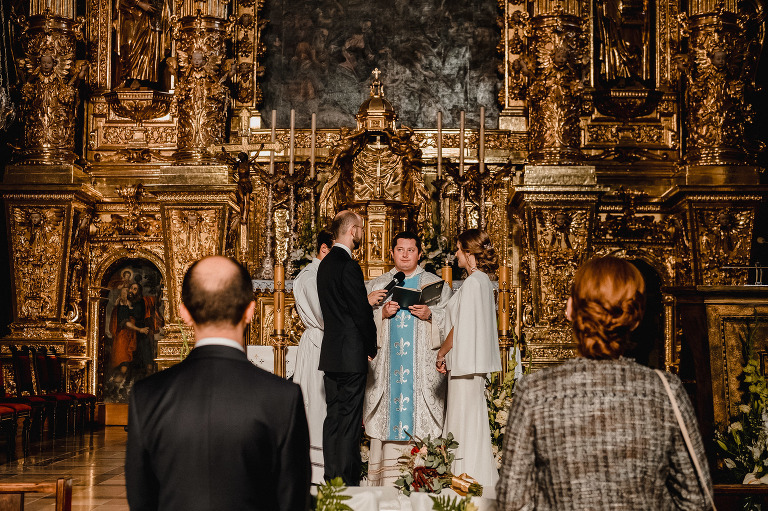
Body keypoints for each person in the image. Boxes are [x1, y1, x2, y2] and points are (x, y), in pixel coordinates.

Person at [496, 256, 713, 509]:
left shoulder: (534, 392)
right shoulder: (666, 392)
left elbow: (512, 502)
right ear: (635, 318)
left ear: (570, 309)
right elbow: (697, 501)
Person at [125, 256, 310, 511]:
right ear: (250, 311)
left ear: (184, 313)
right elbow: (292, 501)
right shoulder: (283, 398)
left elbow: (141, 500)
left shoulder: (146, 396)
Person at [364, 231, 452, 485]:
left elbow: (454, 321)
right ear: (391, 253)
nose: (405, 255)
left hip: (421, 372)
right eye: (400, 250)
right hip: (387, 370)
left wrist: (431, 315)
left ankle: (422, 479)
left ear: (419, 253)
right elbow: (359, 322)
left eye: (410, 250)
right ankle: (386, 483)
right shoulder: (378, 285)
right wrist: (380, 315)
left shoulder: (435, 285)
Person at [436, 229, 501, 497]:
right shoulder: (483, 281)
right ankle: (471, 476)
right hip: (470, 364)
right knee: (470, 421)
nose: (456, 255)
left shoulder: (475, 283)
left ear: (469, 252)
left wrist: (441, 353)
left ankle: (465, 479)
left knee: (463, 422)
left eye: (459, 250)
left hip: (465, 365)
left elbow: (460, 327)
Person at [317, 210, 378, 485]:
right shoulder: (349, 265)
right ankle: (348, 482)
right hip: (351, 354)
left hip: (331, 353)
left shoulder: (325, 264)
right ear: (353, 230)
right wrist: (371, 345)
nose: (362, 233)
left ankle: (332, 478)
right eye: (361, 228)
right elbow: (360, 311)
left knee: (333, 419)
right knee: (350, 422)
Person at [293, 229, 334, 484]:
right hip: (318, 342)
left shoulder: (323, 274)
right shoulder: (310, 276)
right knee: (315, 403)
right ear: (324, 249)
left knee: (324, 404)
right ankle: (314, 474)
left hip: (326, 342)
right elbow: (323, 316)